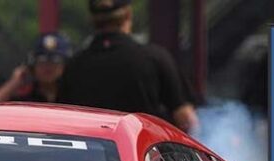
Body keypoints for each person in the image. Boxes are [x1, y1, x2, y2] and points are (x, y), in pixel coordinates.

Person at [58, 0, 199, 133]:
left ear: (91, 18)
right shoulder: (155, 58)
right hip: (141, 154)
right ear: (128, 14)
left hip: (91, 156)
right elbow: (186, 119)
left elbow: (62, 119)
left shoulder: (74, 66)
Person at [0, 32, 73, 106]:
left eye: (55, 61)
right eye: (42, 60)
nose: (48, 66)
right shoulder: (24, 100)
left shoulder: (74, 96)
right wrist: (14, 83)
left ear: (65, 65)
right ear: (32, 65)